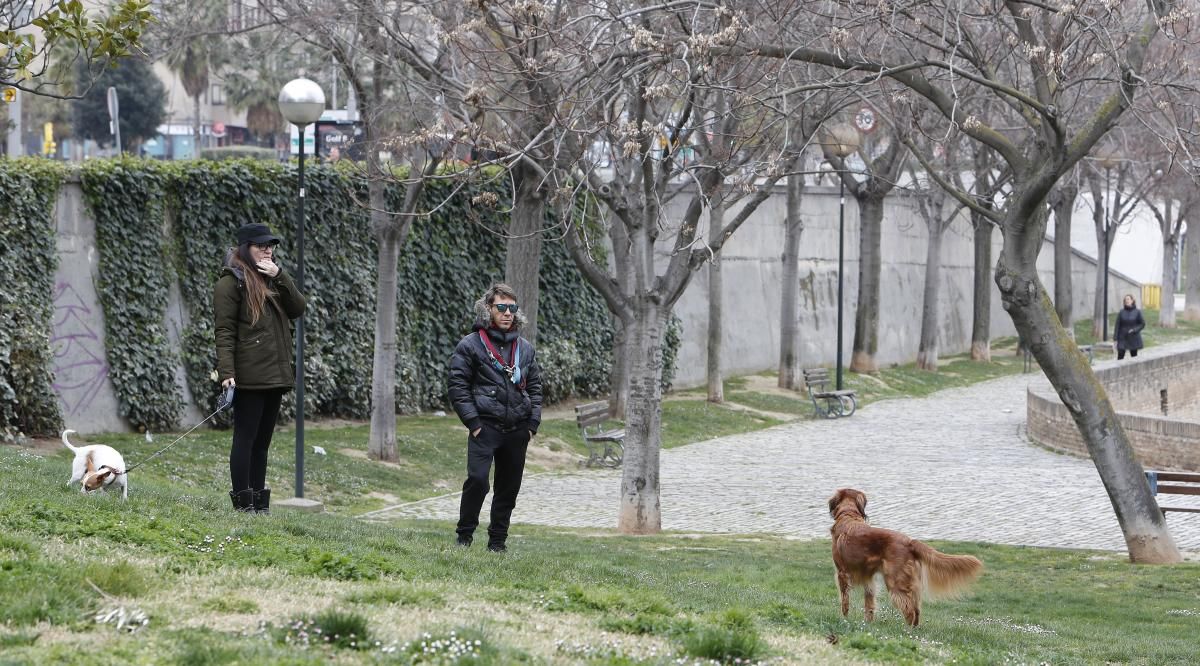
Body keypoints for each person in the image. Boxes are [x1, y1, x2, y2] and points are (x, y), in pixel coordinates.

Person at [213, 223, 307, 513]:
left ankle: (258, 504)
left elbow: (298, 308)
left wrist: (281, 277)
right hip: (249, 375)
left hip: (275, 375)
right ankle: (243, 503)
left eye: (270, 245)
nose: (267, 250)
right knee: (245, 439)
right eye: (260, 245)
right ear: (245, 248)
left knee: (262, 443)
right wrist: (227, 374)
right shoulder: (230, 283)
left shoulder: (272, 278)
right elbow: (224, 332)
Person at [448, 283, 542, 552]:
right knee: (477, 481)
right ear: (488, 309)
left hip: (517, 430)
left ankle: (497, 543)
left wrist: (531, 425)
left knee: (508, 488)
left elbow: (535, 387)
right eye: (501, 307)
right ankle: (464, 537)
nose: (507, 313)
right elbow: (458, 386)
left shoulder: (524, 348)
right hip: (484, 427)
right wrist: (474, 423)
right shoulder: (470, 345)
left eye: (512, 308)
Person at [1113, 294, 1145, 360]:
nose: (1126, 301)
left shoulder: (1137, 312)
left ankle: (1135, 369)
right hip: (1122, 337)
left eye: (1128, 299)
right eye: (1125, 300)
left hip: (1133, 337)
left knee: (1134, 356)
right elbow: (1117, 325)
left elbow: (1142, 324)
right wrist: (1115, 338)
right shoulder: (1121, 312)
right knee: (1120, 355)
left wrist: (1134, 330)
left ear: (1132, 301)